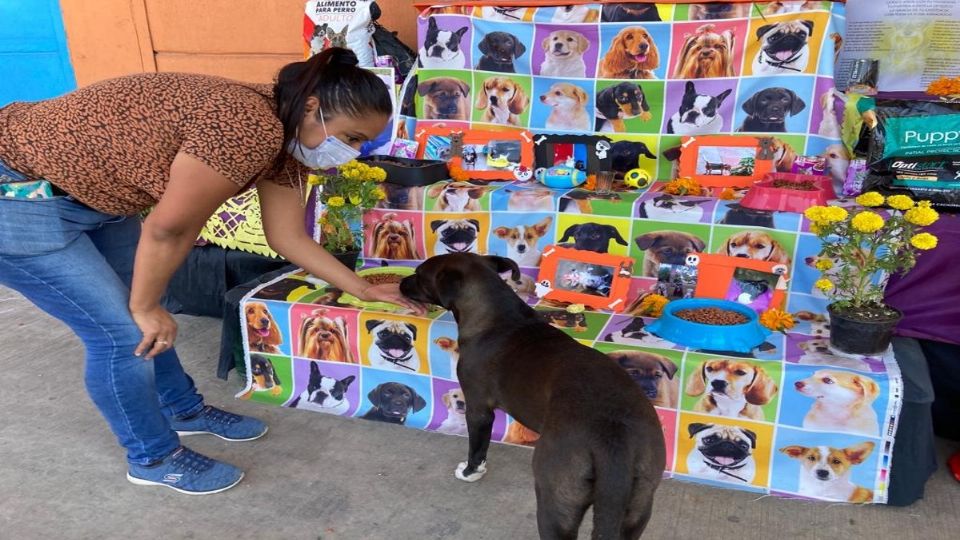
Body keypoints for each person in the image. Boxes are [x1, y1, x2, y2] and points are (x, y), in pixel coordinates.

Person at [0, 47, 422, 495]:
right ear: (314, 108)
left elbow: (287, 237)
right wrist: (142, 306)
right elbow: (169, 227)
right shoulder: (248, 125)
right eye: (352, 137)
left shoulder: (287, 140)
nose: (352, 152)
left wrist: (361, 288)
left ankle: (183, 410)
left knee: (147, 314)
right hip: (18, 195)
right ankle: (152, 456)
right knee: (124, 334)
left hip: (99, 199)